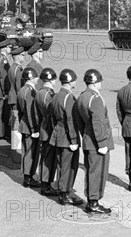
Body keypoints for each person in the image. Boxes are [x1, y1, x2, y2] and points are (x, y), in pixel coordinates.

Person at [74, 69, 114, 214]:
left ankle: (92, 200)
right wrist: (102, 143)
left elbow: (78, 121)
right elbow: (98, 122)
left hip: (88, 139)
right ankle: (94, 202)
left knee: (91, 171)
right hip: (97, 142)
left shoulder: (82, 97)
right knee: (98, 172)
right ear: (96, 82)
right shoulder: (95, 98)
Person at [49, 69, 83, 206]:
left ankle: (63, 191)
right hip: (68, 137)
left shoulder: (56, 96)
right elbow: (70, 120)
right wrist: (74, 139)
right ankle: (65, 194)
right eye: (74, 79)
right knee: (69, 166)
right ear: (70, 81)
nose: (75, 81)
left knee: (61, 165)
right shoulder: (68, 98)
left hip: (58, 133)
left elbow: (52, 116)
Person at [17, 67, 41, 188]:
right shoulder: (30, 92)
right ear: (31, 78)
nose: (37, 79)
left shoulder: (22, 90)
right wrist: (34, 129)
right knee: (31, 153)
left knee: (26, 151)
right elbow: (31, 112)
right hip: (30, 127)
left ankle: (28, 176)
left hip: (24, 124)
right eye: (36, 77)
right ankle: (28, 177)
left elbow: (20, 110)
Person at [35, 68, 58, 196]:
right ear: (51, 80)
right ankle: (46, 184)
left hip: (42, 127)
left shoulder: (39, 92)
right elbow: (51, 113)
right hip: (49, 128)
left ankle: (45, 182)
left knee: (44, 156)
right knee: (49, 158)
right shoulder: (49, 94)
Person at [7, 45, 26, 151]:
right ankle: (16, 145)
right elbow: (19, 87)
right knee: (16, 122)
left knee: (14, 120)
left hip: (12, 97)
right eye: (23, 55)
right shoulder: (18, 70)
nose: (23, 57)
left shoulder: (12, 68)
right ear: (18, 56)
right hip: (16, 99)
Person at [0, 40, 13, 139]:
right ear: (5, 48)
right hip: (2, 91)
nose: (10, 49)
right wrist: (5, 92)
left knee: (0, 112)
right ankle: (1, 133)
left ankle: (0, 132)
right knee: (2, 113)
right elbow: (4, 78)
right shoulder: (3, 60)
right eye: (9, 47)